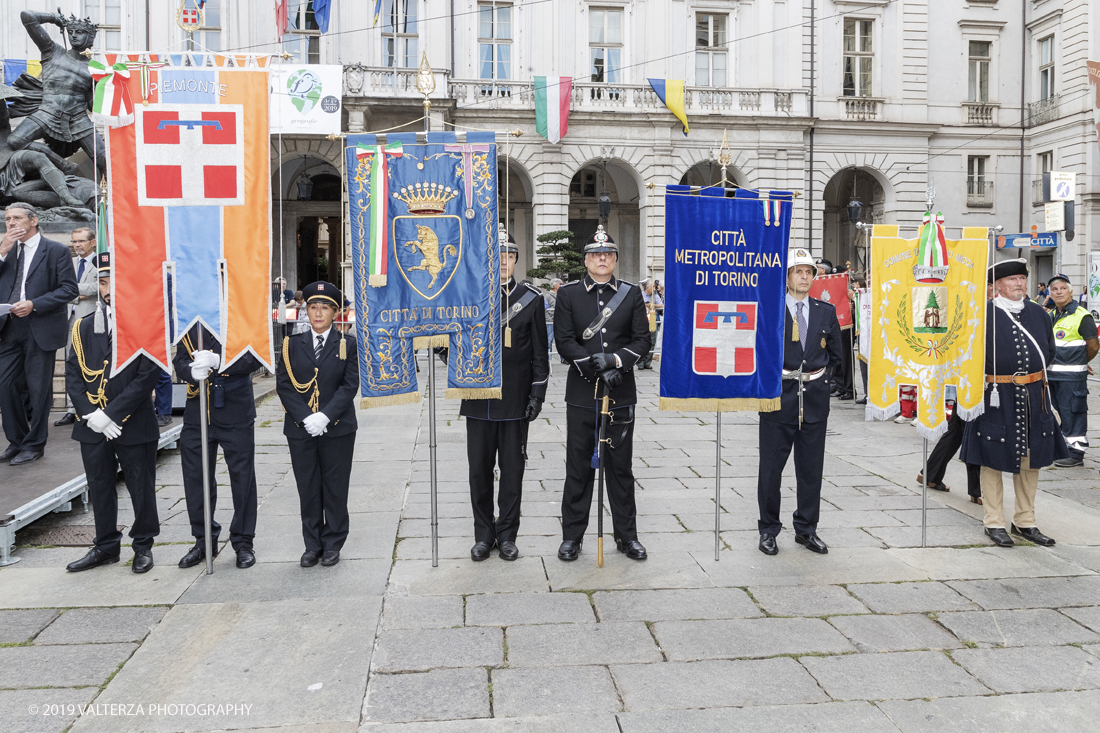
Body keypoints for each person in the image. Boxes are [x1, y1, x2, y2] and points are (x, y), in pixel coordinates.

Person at [554, 225, 651, 562]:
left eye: (607, 255)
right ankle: (572, 536)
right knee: (578, 467)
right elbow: (564, 341)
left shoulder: (631, 293)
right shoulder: (568, 294)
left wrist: (616, 361)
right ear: (586, 261)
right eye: (596, 255)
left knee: (620, 468)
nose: (601, 259)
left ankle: (627, 537)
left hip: (620, 392)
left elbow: (642, 340)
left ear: (614, 260)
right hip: (582, 392)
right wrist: (593, 364)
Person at [960, 258, 1068, 548]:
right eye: (1012, 280)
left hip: (1034, 394)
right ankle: (993, 521)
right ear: (996, 285)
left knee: (1031, 459)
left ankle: (1025, 521)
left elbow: (1050, 351)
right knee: (992, 458)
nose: (1020, 284)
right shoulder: (982, 315)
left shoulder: (1039, 314)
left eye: (1022, 278)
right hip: (996, 395)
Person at [64, 253, 161, 573]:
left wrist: (112, 415)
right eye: (103, 283)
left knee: (140, 486)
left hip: (132, 422)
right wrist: (91, 415)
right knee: (100, 486)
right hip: (91, 424)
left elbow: (146, 376)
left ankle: (143, 545)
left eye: (114, 282)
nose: (108, 289)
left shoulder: (144, 325)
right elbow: (74, 376)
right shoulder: (80, 328)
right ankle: (105, 546)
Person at [460, 226, 549, 562]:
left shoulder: (531, 299)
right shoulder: (470, 296)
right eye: (497, 256)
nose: (503, 262)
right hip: (478, 399)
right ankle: (484, 535)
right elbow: (452, 343)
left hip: (515, 401)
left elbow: (541, 353)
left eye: (509, 256)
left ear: (515, 260)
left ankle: (508, 535)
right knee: (479, 472)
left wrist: (537, 395)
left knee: (513, 473)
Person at [757, 248, 844, 556]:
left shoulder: (825, 311)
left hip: (814, 400)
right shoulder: (770, 309)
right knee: (771, 470)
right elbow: (759, 351)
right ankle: (768, 529)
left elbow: (837, 356)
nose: (805, 276)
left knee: (810, 470)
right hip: (778, 397)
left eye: (809, 272)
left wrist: (821, 381)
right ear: (787, 277)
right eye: (798, 271)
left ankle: (806, 529)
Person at [276, 281, 359, 568]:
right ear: (305, 311)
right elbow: (285, 386)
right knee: (308, 487)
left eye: (325, 308)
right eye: (313, 307)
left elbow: (349, 386)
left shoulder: (348, 344)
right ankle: (312, 544)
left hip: (337, 427)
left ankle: (333, 542)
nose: (318, 313)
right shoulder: (291, 345)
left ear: (335, 313)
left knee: (335, 486)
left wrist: (325, 416)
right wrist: (305, 418)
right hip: (301, 429)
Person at [173, 324, 262, 570]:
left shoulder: (239, 314)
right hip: (197, 410)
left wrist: (219, 361)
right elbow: (179, 359)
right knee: (195, 478)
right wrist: (191, 371)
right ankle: (203, 541)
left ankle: (243, 542)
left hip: (235, 408)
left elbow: (255, 357)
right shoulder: (193, 322)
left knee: (242, 478)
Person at [0, 202, 79, 464]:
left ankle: (34, 444)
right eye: (8, 218)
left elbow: (69, 289)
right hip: (9, 326)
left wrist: (35, 304)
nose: (11, 223)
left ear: (33, 220)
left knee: (38, 388)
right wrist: (2, 251)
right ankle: (17, 441)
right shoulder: (6, 251)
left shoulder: (55, 250)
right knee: (6, 385)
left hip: (40, 325)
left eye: (17, 218)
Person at [10, 12, 105, 182]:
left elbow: (92, 106)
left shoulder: (95, 69)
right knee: (15, 141)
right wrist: (54, 18)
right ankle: (62, 164)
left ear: (91, 37)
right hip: (47, 112)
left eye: (79, 32)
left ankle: (113, 200)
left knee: (103, 158)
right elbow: (27, 17)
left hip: (77, 118)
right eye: (71, 32)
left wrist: (103, 89)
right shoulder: (52, 51)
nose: (73, 36)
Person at [1046, 274, 1098, 468]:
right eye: (1054, 289)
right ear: (1050, 293)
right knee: (1059, 412)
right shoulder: (1051, 315)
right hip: (1051, 375)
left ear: (1070, 291)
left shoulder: (1082, 315)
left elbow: (1093, 346)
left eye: (1062, 288)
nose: (1058, 292)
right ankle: (1063, 448)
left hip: (1071, 376)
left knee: (1073, 412)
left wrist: (1081, 361)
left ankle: (1076, 453)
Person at [54, 227, 99, 427]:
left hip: (91, 321)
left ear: (93, 242)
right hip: (69, 321)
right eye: (74, 241)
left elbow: (99, 287)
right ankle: (72, 409)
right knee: (72, 365)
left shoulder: (101, 262)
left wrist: (70, 290)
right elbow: (57, 287)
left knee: (91, 364)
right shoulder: (68, 263)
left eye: (81, 241)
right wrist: (76, 292)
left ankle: (92, 406)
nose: (77, 245)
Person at [917, 388, 983, 504]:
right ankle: (976, 491)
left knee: (955, 432)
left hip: (966, 386)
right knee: (971, 434)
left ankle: (931, 474)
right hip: (978, 387)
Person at [639, 280, 663, 370]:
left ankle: (647, 362)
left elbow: (661, 305)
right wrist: (645, 305)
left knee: (652, 341)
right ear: (647, 287)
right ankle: (640, 362)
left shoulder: (655, 295)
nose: (654, 289)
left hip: (653, 320)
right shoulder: (640, 294)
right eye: (652, 287)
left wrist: (652, 305)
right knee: (641, 341)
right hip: (642, 321)